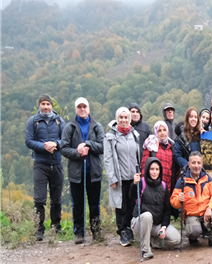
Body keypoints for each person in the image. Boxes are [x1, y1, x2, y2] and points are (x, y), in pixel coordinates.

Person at [60, 97, 104, 243]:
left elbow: (103, 146)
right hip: (76, 174)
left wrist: (88, 144)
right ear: (76, 110)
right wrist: (77, 153)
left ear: (89, 109)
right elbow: (64, 148)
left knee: (94, 204)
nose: (82, 109)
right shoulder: (69, 127)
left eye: (84, 107)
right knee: (78, 204)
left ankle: (96, 231)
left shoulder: (97, 126)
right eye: (79, 107)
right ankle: (79, 233)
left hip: (94, 173)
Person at [25, 93, 65, 240]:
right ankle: (39, 229)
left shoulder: (59, 121)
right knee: (39, 199)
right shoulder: (33, 121)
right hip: (40, 164)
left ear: (52, 106)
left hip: (57, 164)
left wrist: (55, 144)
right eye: (43, 104)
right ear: (39, 106)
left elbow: (65, 140)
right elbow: (29, 141)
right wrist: (44, 146)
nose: (46, 107)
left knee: (56, 199)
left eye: (48, 104)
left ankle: (56, 227)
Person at [170, 151, 212, 249]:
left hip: (206, 213)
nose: (196, 166)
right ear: (189, 164)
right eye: (194, 163)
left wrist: (210, 208)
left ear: (202, 164)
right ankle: (193, 238)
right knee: (195, 232)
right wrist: (178, 200)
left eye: (199, 163)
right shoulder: (182, 180)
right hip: (191, 215)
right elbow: (173, 202)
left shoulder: (207, 178)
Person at [130, 157, 181, 259]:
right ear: (147, 170)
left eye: (157, 169)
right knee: (148, 216)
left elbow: (167, 209)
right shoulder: (141, 182)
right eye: (152, 169)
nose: (154, 172)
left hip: (156, 224)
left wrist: (163, 227)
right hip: (139, 222)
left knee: (176, 239)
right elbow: (131, 196)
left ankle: (153, 242)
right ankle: (146, 249)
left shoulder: (164, 186)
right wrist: (134, 184)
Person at [104, 107, 141, 246]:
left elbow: (138, 155)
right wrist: (112, 178)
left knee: (132, 204)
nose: (124, 120)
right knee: (121, 206)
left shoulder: (134, 135)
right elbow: (107, 159)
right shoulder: (111, 137)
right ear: (117, 119)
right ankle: (122, 232)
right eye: (121, 117)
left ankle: (129, 229)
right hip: (120, 178)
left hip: (133, 177)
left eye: (126, 117)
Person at [141, 121, 175, 201]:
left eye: (164, 130)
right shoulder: (150, 145)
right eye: (159, 130)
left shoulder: (172, 146)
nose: (162, 133)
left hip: (168, 185)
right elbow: (144, 167)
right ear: (156, 132)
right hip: (154, 184)